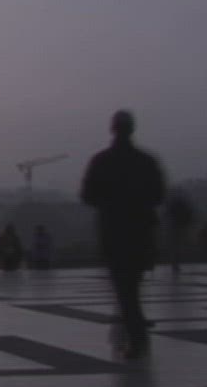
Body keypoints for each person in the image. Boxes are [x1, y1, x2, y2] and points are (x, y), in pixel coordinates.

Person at [80, 110, 166, 359]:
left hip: (114, 231)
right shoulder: (145, 161)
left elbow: (88, 195)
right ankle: (137, 334)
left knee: (125, 289)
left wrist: (110, 202)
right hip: (140, 231)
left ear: (113, 129)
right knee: (132, 288)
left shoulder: (102, 161)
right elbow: (158, 194)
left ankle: (137, 336)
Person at [164, 194, 194, 275]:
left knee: (174, 246)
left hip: (174, 226)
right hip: (180, 226)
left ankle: (175, 263)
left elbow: (167, 214)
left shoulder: (172, 206)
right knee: (178, 245)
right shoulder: (181, 206)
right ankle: (176, 262)